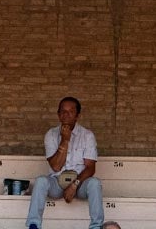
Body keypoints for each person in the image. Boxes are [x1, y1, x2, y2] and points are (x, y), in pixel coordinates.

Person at [26, 96, 103, 229]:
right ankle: (34, 225)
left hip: (79, 184)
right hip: (56, 182)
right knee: (40, 181)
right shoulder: (51, 134)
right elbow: (56, 166)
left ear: (77, 115)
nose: (66, 115)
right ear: (58, 114)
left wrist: (74, 185)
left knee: (95, 183)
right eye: (62, 111)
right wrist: (65, 140)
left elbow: (90, 168)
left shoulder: (87, 135)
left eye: (70, 111)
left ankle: (96, 227)